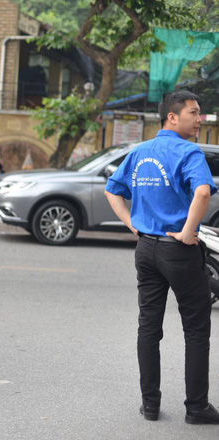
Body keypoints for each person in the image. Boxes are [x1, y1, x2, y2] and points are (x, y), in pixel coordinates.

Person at [104, 90, 219, 424]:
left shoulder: (141, 151)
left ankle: (150, 404)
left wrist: (132, 225)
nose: (201, 119)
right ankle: (196, 407)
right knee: (196, 330)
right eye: (194, 113)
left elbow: (113, 189)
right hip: (178, 250)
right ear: (173, 116)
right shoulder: (188, 151)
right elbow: (201, 191)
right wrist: (187, 231)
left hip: (147, 250)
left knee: (149, 327)